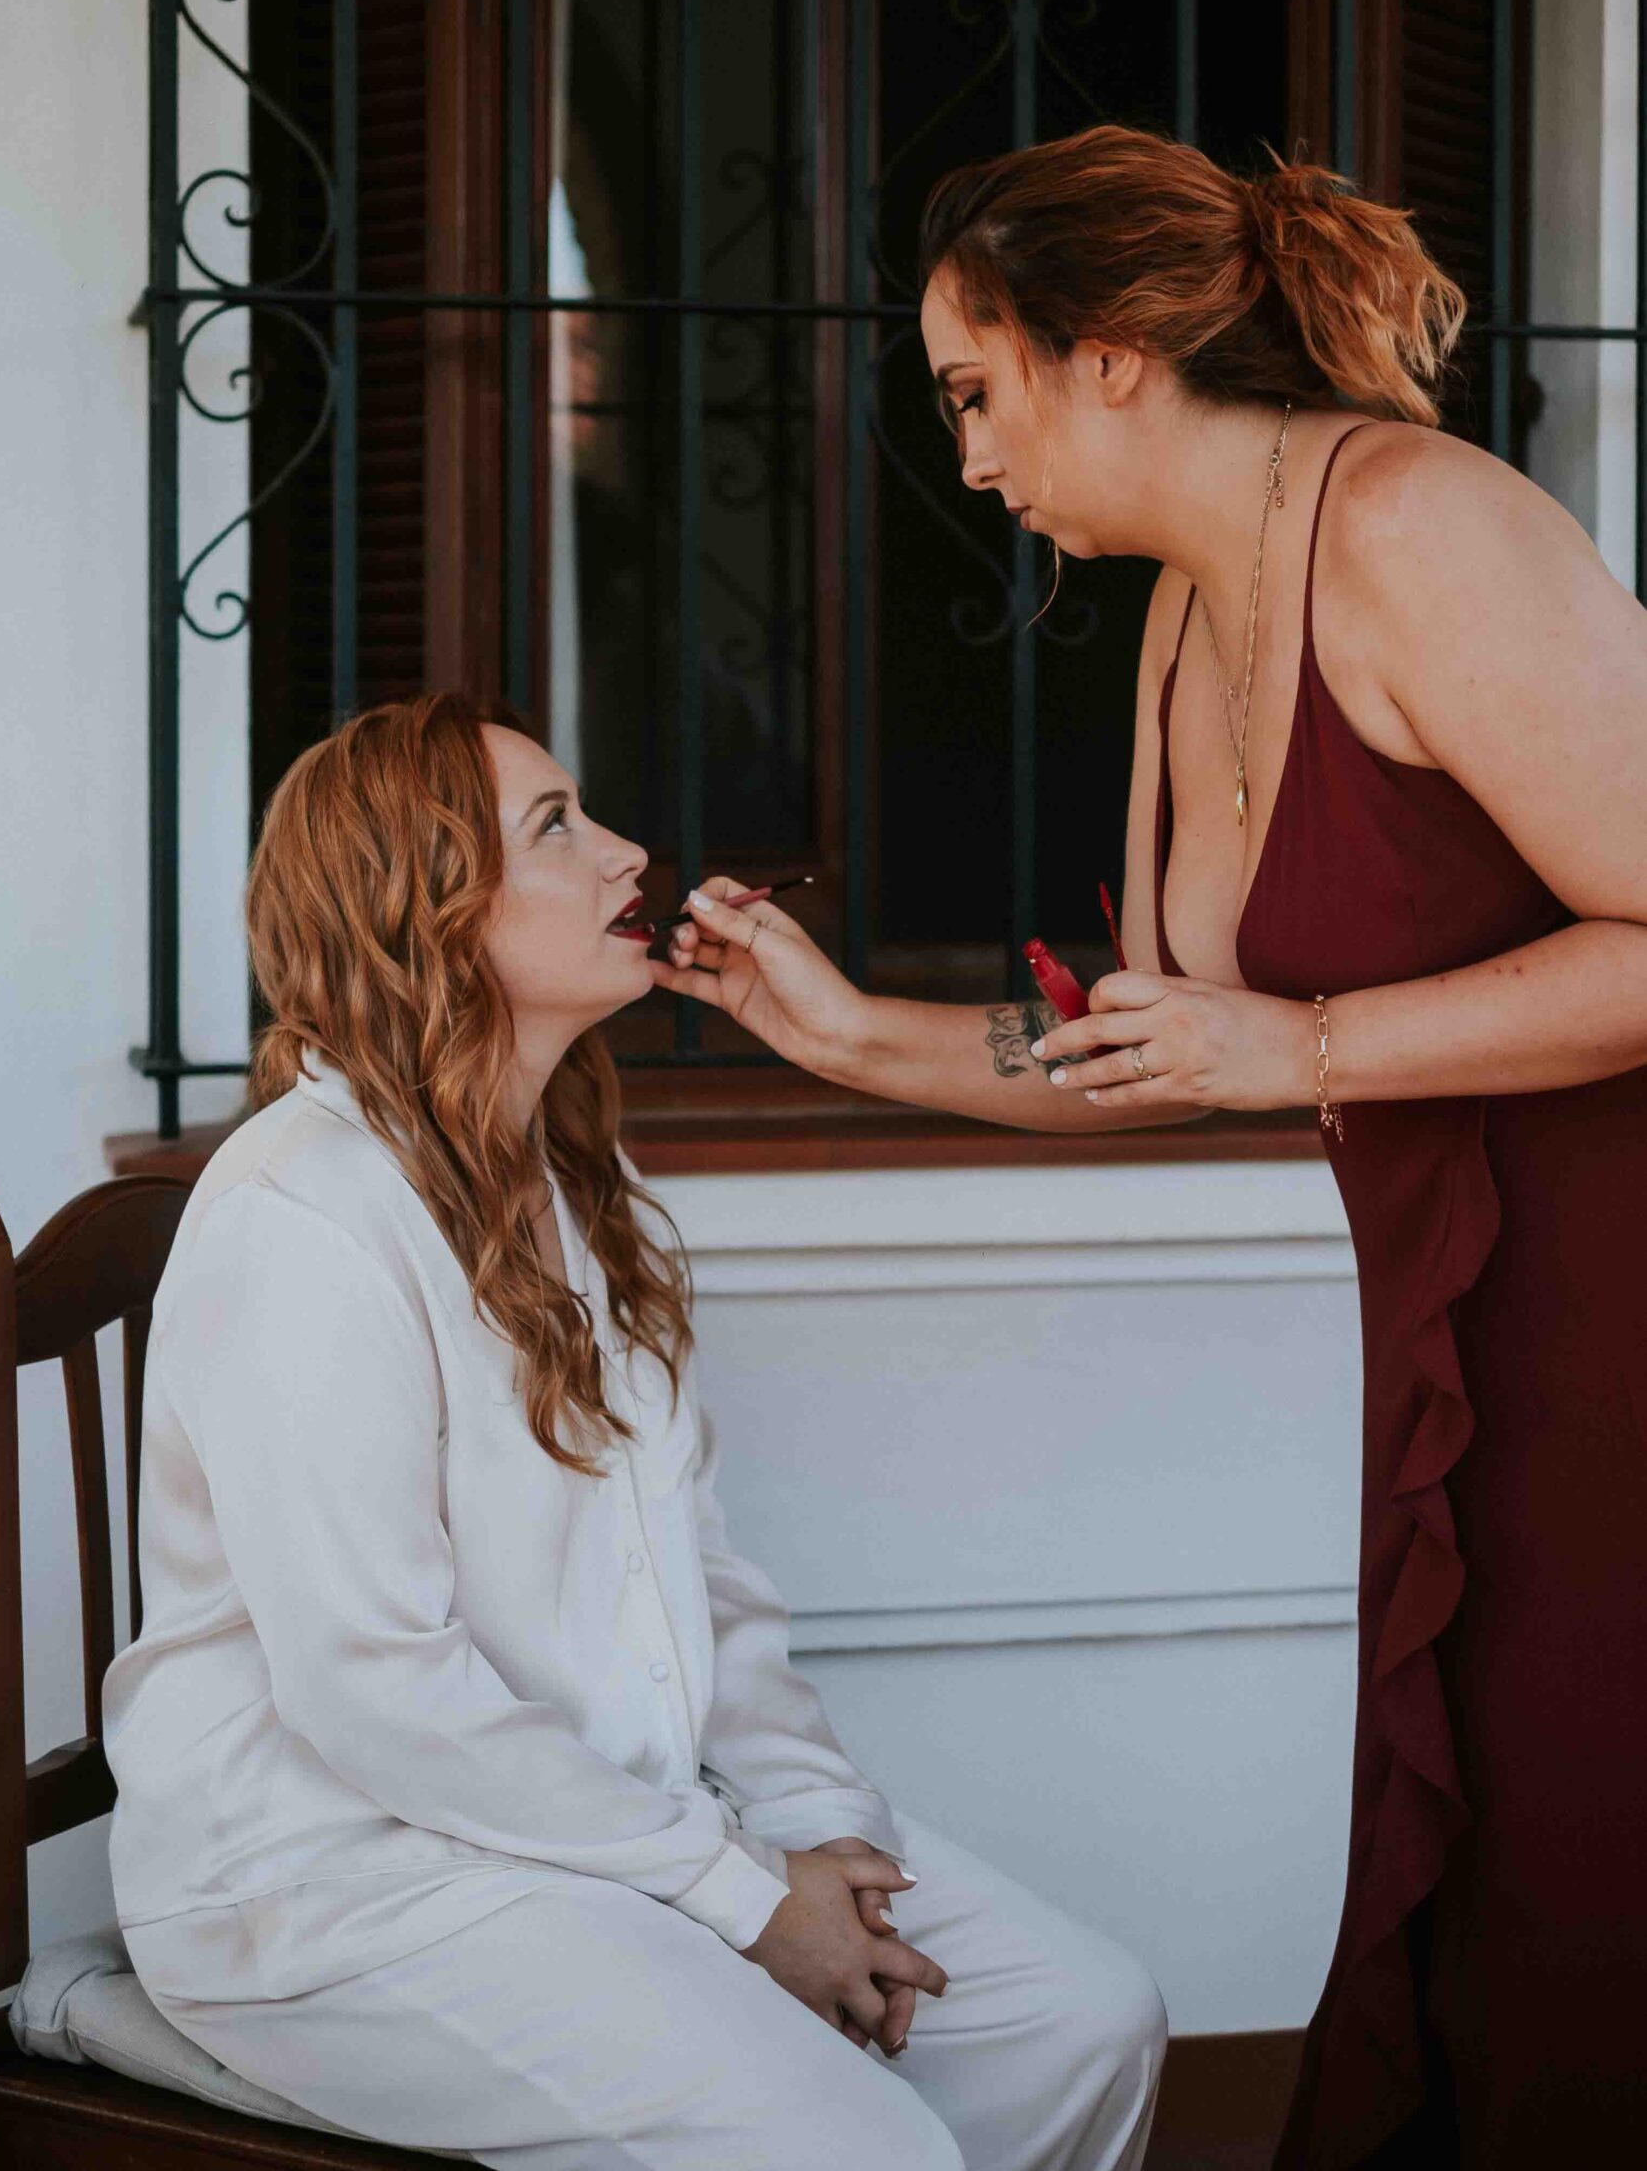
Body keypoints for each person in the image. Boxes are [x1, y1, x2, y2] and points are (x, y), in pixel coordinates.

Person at [659, 126, 1647, 2170]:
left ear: (1105, 354)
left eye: (973, 389)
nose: (964, 457)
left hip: (1613, 1323)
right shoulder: (1187, 612)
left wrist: (1308, 1042)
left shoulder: (1420, 525)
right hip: (1456, 1336)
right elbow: (1162, 1042)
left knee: (1584, 1881)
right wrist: (839, 1030)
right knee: (1496, 1897)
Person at [102, 693, 1165, 2171]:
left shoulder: (566, 1178)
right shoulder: (305, 1216)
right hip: (340, 1880)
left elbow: (699, 1589)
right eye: (557, 827)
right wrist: (743, 1894)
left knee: (1085, 2024)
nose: (629, 854)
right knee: (864, 2152)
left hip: (613, 1825)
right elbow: (375, 1688)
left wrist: (820, 1837)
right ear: (425, 910)